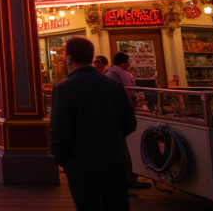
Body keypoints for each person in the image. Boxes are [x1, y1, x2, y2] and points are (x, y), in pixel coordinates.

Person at [49, 38, 138, 210]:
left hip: (82, 164)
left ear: (68, 59)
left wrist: (63, 160)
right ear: (91, 58)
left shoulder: (64, 89)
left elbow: (59, 132)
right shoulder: (113, 85)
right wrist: (114, 140)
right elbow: (130, 122)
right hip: (115, 161)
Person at [104, 52, 149, 189]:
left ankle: (125, 176)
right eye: (128, 61)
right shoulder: (126, 75)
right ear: (124, 62)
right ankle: (130, 176)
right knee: (128, 145)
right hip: (127, 112)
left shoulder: (109, 74)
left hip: (116, 113)